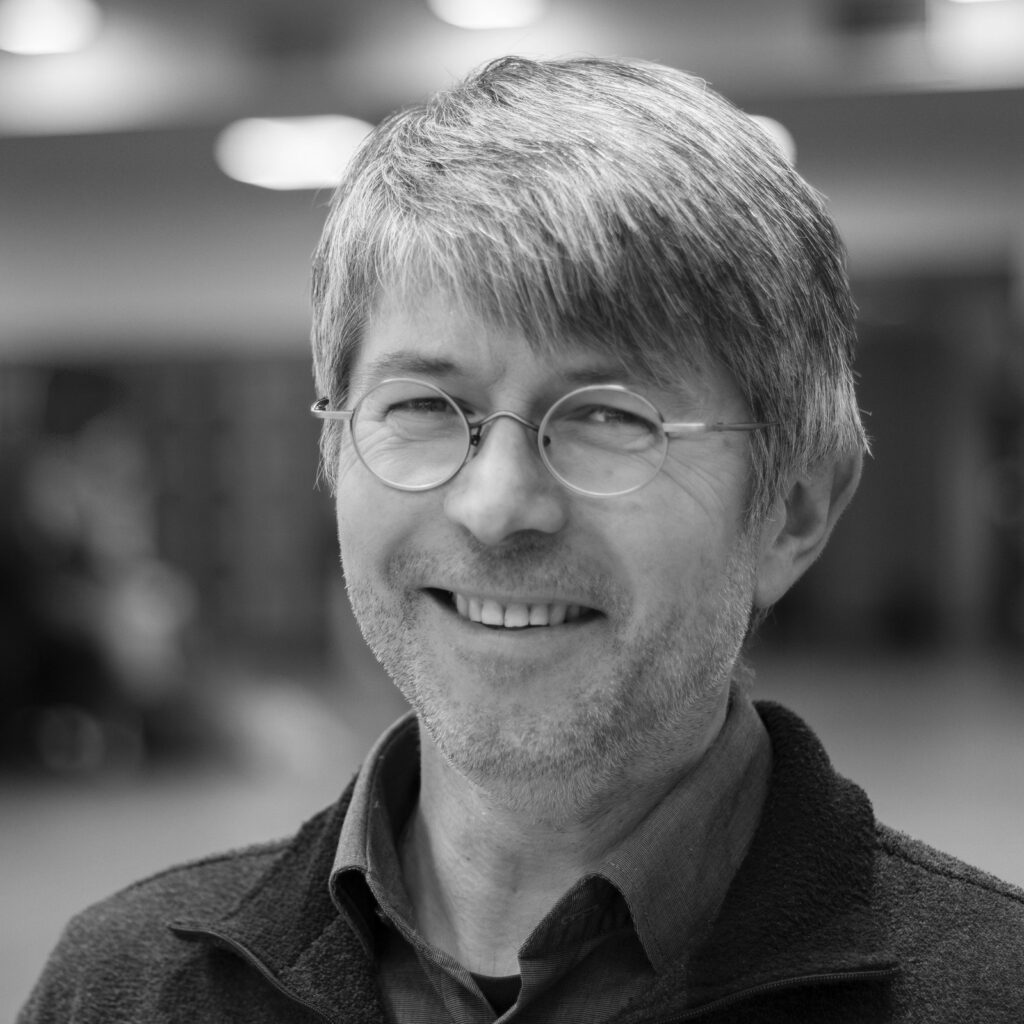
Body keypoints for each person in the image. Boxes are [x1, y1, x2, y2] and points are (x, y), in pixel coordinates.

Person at [19, 55, 1023, 1024]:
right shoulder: (125, 989)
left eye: (609, 416)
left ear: (793, 510)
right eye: (424, 404)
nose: (495, 507)